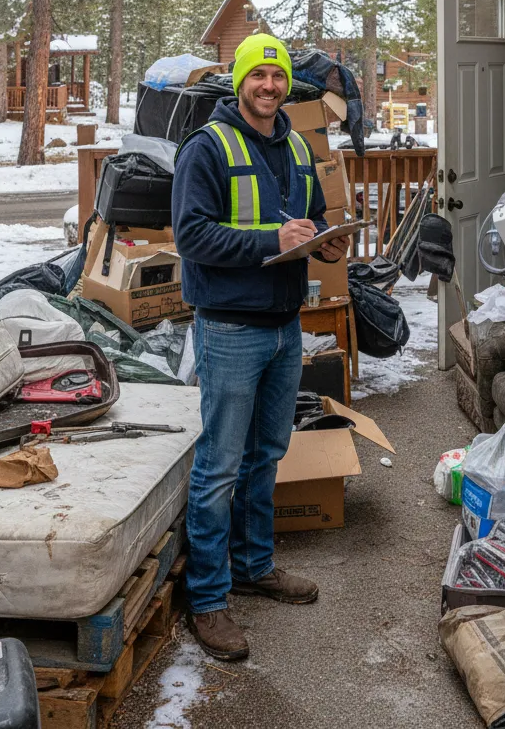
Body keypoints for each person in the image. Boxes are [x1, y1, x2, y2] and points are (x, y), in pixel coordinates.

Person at [171, 33, 350, 661]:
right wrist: (273, 240)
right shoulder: (207, 147)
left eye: (277, 77)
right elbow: (191, 237)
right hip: (228, 327)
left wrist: (325, 239)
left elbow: (308, 218)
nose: (269, 86)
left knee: (266, 454)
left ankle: (253, 566)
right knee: (219, 465)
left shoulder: (297, 145)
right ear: (241, 81)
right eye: (258, 76)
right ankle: (208, 598)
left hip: (283, 324)